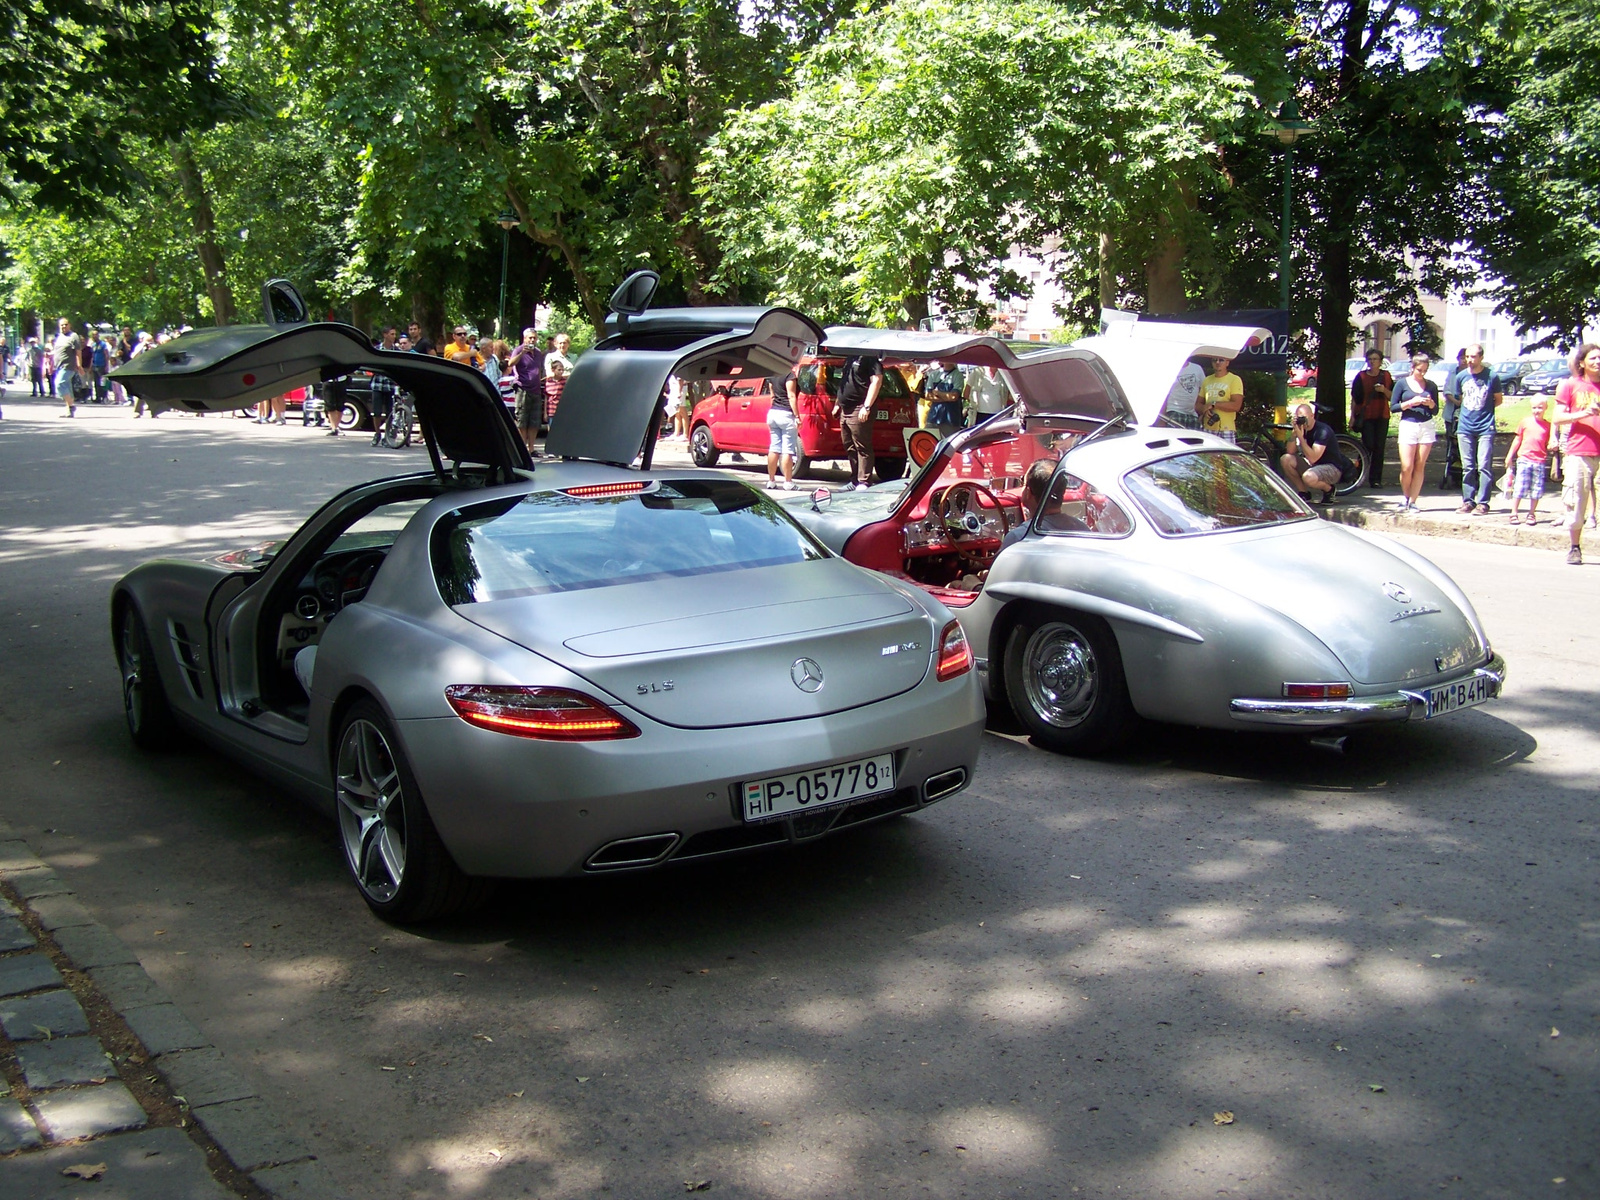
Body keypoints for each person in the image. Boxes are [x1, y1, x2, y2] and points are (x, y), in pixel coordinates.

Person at [1549, 343, 1600, 565]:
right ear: (1582, 363)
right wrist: (1584, 413)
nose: (1598, 362)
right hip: (1580, 450)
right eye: (1593, 359)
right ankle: (1575, 547)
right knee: (1576, 500)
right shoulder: (1570, 385)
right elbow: (1558, 417)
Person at [1453, 343, 1503, 514]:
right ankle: (1468, 501)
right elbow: (1460, 397)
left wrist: (1485, 413)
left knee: (1484, 465)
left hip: (1485, 426)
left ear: (1481, 357)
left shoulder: (1492, 376)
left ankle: (1483, 502)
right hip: (1465, 426)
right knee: (1467, 466)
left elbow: (1498, 399)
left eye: (1473, 357)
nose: (1470, 360)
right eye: (1467, 356)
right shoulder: (1461, 377)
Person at [1390, 353, 1439, 512]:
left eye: (1425, 370)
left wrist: (1430, 404)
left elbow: (1435, 410)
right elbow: (1394, 407)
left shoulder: (1431, 385)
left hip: (1426, 425)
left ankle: (1413, 501)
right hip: (1408, 425)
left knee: (1420, 465)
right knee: (1407, 466)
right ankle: (1405, 497)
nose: (1422, 373)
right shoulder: (1402, 384)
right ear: (1413, 368)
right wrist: (1411, 403)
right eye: (1419, 370)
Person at [1279, 402, 1349, 506]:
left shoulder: (1322, 431)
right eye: (1299, 418)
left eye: (1304, 418)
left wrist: (1301, 438)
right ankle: (1304, 493)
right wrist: (1294, 434)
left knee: (1308, 477)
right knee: (1285, 459)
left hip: (1331, 468)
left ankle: (1329, 490)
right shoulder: (1301, 429)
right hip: (1314, 466)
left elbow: (1313, 458)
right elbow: (1290, 451)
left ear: (1312, 416)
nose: (1302, 422)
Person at [833, 355, 883, 489]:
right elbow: (844, 382)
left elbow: (877, 380)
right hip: (845, 409)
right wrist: (838, 404)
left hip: (859, 407)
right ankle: (854, 480)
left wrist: (866, 407)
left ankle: (864, 481)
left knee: (862, 445)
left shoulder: (870, 359)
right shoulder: (850, 357)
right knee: (849, 446)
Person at [1504, 396, 1552, 526]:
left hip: (1539, 461)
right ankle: (1514, 512)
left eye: (1540, 408)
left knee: (1536, 489)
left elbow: (1549, 443)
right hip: (1524, 459)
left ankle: (1531, 513)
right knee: (1519, 487)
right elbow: (1517, 440)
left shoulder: (1548, 426)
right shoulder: (1525, 422)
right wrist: (1510, 456)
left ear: (1546, 408)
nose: (1537, 410)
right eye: (1534, 408)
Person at [1350, 349, 1393, 487]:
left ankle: (1375, 479)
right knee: (1367, 445)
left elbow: (1393, 396)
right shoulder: (1361, 376)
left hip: (1382, 415)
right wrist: (1352, 417)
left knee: (1379, 447)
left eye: (1375, 359)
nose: (1373, 361)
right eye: (1370, 359)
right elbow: (1355, 399)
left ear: (1381, 362)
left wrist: (1383, 390)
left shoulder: (1386, 376)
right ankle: (1357, 473)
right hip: (1366, 415)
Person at [509, 328, 543, 454]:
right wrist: (522, 353)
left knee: (534, 421)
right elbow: (510, 364)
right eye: (530, 338)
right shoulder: (519, 350)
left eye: (534, 338)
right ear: (525, 339)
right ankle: (522, 448)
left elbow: (539, 369)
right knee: (522, 420)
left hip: (536, 390)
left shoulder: (538, 353)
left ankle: (532, 448)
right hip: (522, 389)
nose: (532, 340)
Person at [1438, 346, 1468, 489]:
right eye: (1462, 358)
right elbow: (1447, 391)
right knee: (1452, 443)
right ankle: (1451, 472)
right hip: (1452, 413)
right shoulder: (1453, 374)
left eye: (1466, 358)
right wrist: (1457, 401)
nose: (1464, 361)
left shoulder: (1472, 374)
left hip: (1467, 415)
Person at [767, 367, 800, 490]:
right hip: (786, 414)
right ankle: (788, 482)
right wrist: (797, 416)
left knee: (774, 448)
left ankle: (771, 480)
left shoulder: (772, 374)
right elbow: (791, 396)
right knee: (788, 449)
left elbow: (772, 396)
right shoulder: (789, 375)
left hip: (773, 412)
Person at [1198, 356, 1243, 443]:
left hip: (1226, 429)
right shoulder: (1207, 380)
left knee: (1228, 456)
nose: (1217, 362)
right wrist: (1204, 409)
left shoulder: (1234, 379)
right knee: (1208, 456)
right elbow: (1198, 405)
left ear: (1227, 362)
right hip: (1208, 428)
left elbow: (1236, 406)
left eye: (1221, 360)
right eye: (1214, 360)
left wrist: (1214, 404)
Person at [923, 360, 964, 438]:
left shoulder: (958, 375)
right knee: (929, 441)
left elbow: (954, 396)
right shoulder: (933, 374)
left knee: (949, 445)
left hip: (951, 420)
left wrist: (938, 393)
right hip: (933, 418)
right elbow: (928, 396)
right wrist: (946, 397)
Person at [1161, 359, 1205, 429]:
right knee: (1175, 439)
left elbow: (1203, 392)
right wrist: (1162, 418)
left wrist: (1202, 414)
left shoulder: (1197, 368)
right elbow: (1163, 395)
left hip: (1193, 415)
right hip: (1174, 412)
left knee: (1193, 439)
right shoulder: (1168, 369)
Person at [543, 333, 574, 426]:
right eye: (560, 343)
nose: (562, 345)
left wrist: (560, 375)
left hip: (570, 392)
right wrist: (569, 375)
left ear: (568, 344)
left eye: (565, 343)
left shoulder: (574, 357)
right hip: (554, 393)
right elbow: (549, 374)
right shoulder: (550, 356)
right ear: (555, 344)